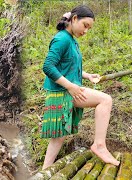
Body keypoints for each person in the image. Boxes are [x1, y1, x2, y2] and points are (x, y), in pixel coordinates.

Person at [41, 5, 120, 170]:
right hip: (63, 91)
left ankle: (45, 170)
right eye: (85, 25)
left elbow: (67, 66)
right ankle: (99, 145)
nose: (86, 31)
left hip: (65, 90)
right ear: (74, 19)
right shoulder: (62, 39)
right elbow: (48, 66)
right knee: (105, 100)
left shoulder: (71, 40)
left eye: (89, 28)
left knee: (58, 137)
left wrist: (87, 75)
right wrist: (70, 87)